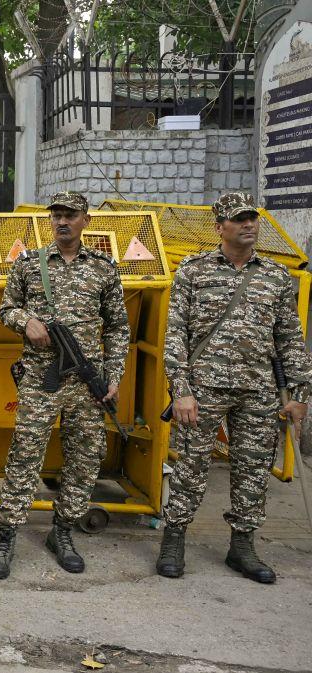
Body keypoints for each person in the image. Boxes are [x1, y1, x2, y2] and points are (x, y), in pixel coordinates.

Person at [156, 192, 311, 583]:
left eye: (252, 218)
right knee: (191, 467)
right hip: (203, 389)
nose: (248, 225)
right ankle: (174, 539)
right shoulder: (194, 270)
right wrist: (181, 390)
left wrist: (299, 395)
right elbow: (175, 335)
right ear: (219, 227)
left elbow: (290, 339)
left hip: (258, 390)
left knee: (253, 469)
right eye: (239, 219)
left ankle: (242, 545)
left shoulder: (275, 276)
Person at [0, 191, 128, 579]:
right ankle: (7, 535)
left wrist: (113, 377)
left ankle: (62, 531)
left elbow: (118, 328)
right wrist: (26, 322)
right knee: (25, 454)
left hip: (87, 381)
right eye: (57, 215)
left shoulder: (103, 268)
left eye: (71, 215)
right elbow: (6, 308)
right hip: (40, 378)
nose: (62, 221)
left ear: (86, 220)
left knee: (85, 456)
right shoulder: (29, 263)